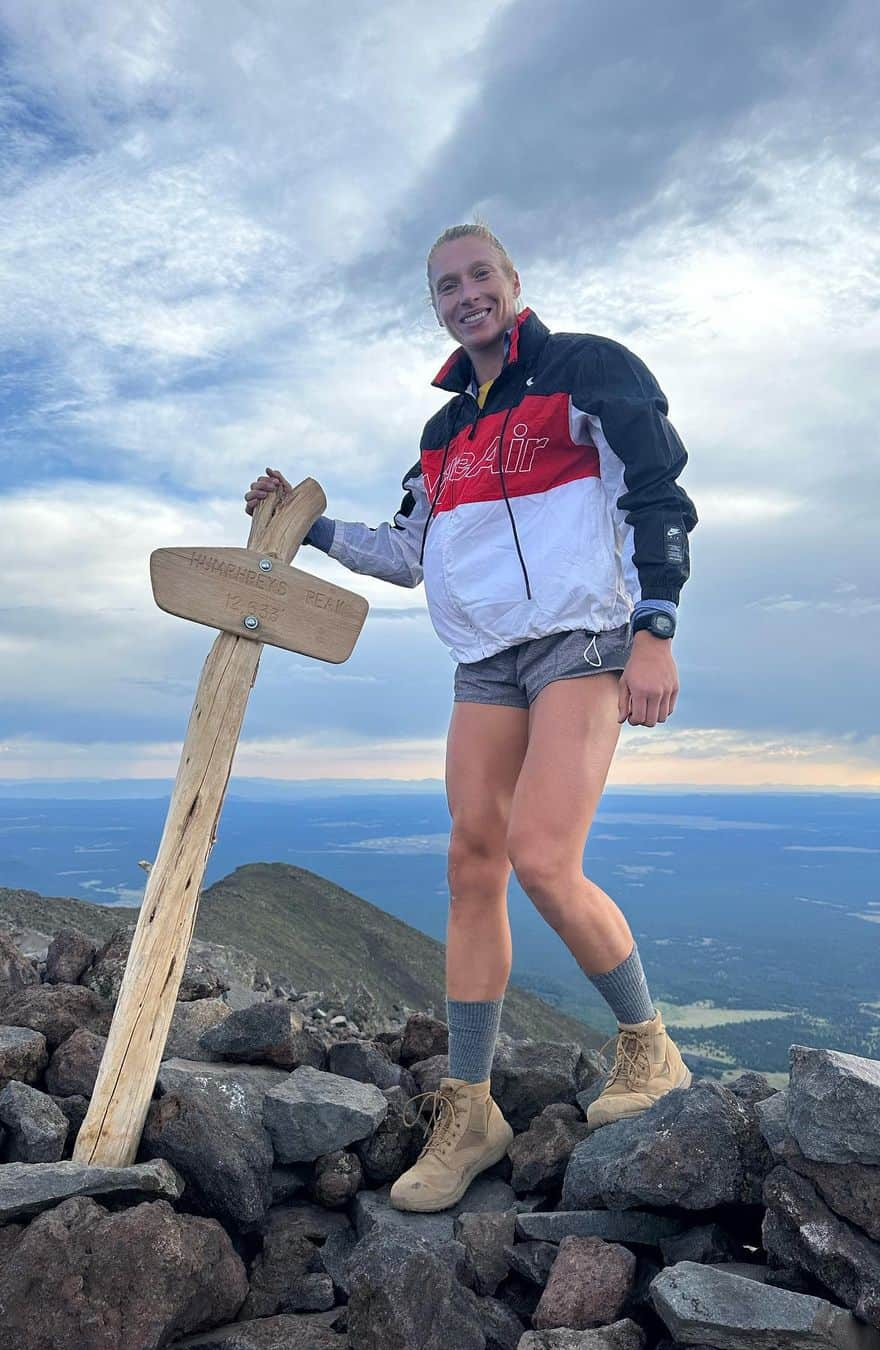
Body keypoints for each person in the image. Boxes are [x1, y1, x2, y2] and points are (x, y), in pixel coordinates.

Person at [245, 222, 698, 1214]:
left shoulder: (587, 371)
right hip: (486, 659)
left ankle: (647, 1050)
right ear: (436, 306)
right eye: (446, 285)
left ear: (511, 281)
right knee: (471, 865)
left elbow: (657, 491)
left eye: (478, 275)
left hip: (584, 638)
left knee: (542, 855)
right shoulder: (443, 435)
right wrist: (307, 525)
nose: (465, 294)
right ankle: (472, 1108)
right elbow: (409, 551)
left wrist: (656, 627)